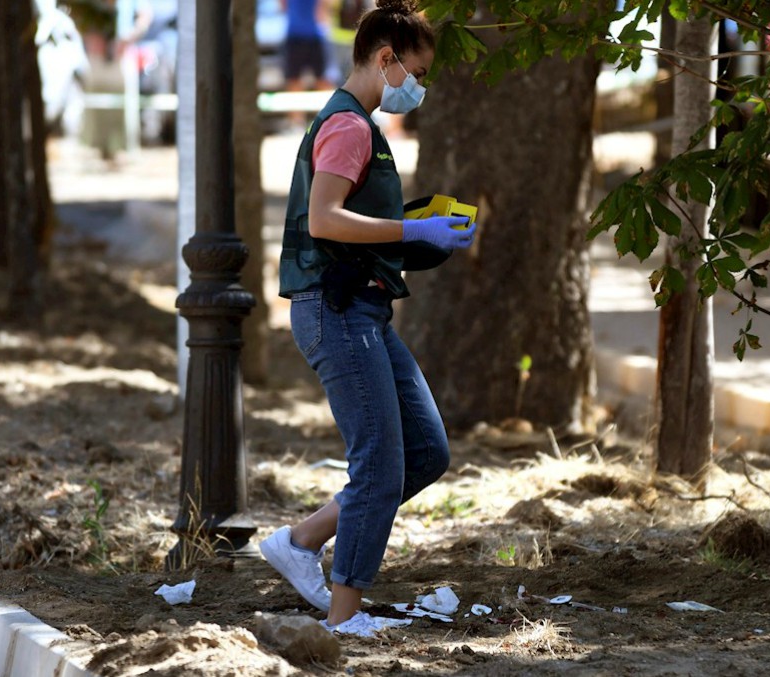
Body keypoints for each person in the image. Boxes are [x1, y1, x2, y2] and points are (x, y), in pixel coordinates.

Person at [262, 0, 476, 633]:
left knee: (426, 451)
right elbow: (325, 218)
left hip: (365, 311)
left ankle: (301, 542)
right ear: (386, 59)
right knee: (379, 464)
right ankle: (342, 617)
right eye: (416, 71)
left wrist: (414, 235)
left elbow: (348, 222)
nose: (419, 86)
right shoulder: (351, 126)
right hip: (337, 313)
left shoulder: (361, 124)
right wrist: (412, 226)